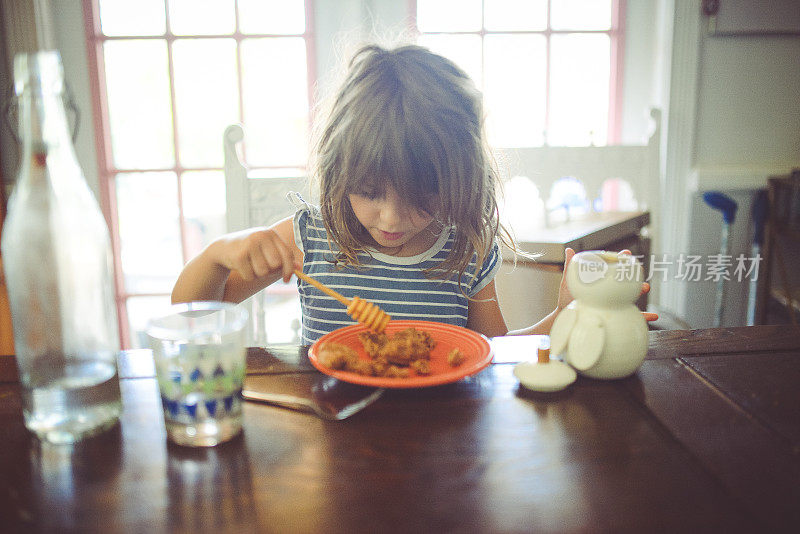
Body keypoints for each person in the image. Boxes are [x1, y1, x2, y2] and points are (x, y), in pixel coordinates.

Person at [172, 44, 654, 344]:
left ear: (460, 179)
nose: (391, 218)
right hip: (331, 436)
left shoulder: (466, 247)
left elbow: (495, 353)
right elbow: (189, 317)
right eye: (368, 192)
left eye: (422, 195)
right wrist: (217, 258)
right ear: (340, 174)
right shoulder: (311, 238)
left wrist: (567, 314)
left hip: (440, 443)